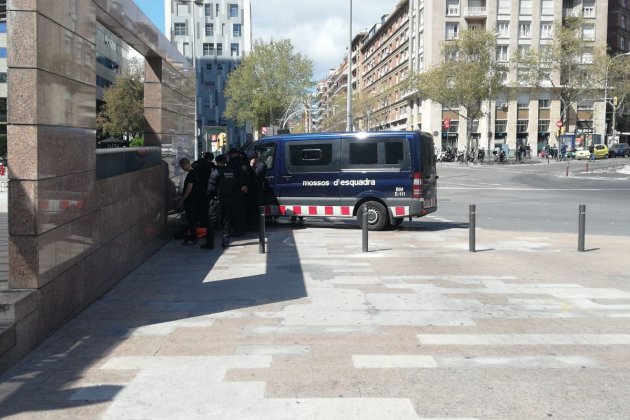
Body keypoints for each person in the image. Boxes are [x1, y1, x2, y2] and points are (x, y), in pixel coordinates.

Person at [204, 154, 235, 248]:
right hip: (228, 199)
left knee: (211, 221)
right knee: (226, 219)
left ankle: (209, 243)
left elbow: (210, 189)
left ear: (217, 162)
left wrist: (208, 198)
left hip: (216, 200)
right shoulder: (231, 171)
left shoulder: (215, 173)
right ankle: (225, 242)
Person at [176, 158, 204, 245]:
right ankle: (193, 237)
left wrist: (182, 200)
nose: (182, 168)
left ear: (184, 165)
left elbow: (189, 189)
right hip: (196, 200)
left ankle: (193, 238)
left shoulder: (191, 175)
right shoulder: (196, 173)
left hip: (190, 201)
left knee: (191, 220)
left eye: (181, 166)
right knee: (193, 220)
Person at [227, 148, 251, 235]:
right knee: (241, 209)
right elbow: (247, 174)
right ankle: (242, 228)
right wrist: (245, 185)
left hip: (234, 189)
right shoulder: (243, 162)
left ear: (232, 154)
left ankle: (238, 229)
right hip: (242, 189)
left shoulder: (232, 163)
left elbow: (230, 177)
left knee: (235, 210)